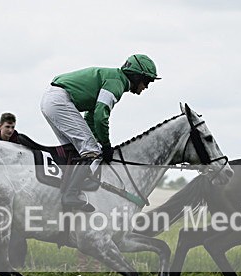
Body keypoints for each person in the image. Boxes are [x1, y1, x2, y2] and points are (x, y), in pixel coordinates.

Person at [40, 54, 160, 211]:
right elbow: (100, 115)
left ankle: (66, 189)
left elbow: (90, 115)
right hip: (60, 101)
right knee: (92, 151)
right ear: (137, 76)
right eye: (147, 81)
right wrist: (106, 144)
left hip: (53, 100)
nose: (146, 87)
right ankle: (70, 194)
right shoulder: (116, 82)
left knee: (79, 151)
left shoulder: (115, 79)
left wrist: (97, 139)